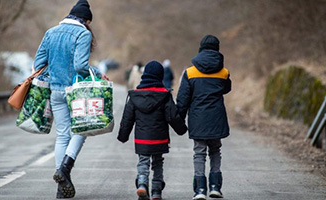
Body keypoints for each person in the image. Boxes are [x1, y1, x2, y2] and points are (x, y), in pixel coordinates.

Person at [33, 0, 108, 198]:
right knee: (84, 128)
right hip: (75, 91)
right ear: (85, 20)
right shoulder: (82, 33)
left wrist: (54, 70)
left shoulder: (51, 32)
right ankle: (65, 169)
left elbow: (38, 63)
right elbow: (80, 66)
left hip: (54, 90)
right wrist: (97, 72)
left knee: (62, 135)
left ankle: (61, 185)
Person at [118, 61, 188, 200]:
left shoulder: (135, 96)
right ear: (160, 76)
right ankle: (156, 191)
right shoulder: (164, 95)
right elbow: (172, 116)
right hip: (159, 138)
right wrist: (182, 129)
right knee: (158, 162)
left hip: (142, 139)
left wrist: (123, 136)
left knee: (143, 161)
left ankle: (142, 184)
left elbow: (127, 118)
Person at [176, 35, 231, 200]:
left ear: (200, 48)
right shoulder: (224, 72)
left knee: (199, 153)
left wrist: (179, 120)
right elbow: (226, 89)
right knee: (215, 150)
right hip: (216, 117)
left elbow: (183, 99)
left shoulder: (190, 72)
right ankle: (215, 187)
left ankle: (200, 190)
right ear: (217, 49)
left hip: (198, 118)